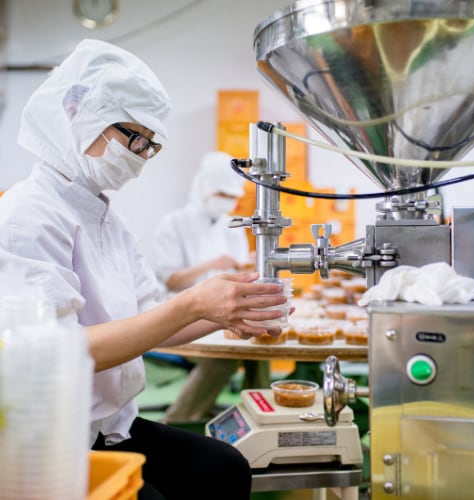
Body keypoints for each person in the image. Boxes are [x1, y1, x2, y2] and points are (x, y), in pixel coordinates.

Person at [0, 39, 287, 500]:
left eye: (149, 144)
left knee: (224, 468)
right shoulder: (27, 215)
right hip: (54, 438)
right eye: (133, 136)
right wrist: (196, 302)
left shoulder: (108, 220)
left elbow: (152, 315)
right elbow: (62, 351)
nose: (139, 154)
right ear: (79, 115)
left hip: (111, 425)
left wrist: (223, 314)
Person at [152, 151, 269, 423]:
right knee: (225, 356)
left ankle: (259, 418)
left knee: (260, 346)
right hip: (185, 317)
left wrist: (249, 267)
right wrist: (211, 264)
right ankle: (180, 421)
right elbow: (171, 280)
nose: (227, 201)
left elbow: (240, 271)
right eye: (221, 194)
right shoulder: (175, 223)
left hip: (226, 313)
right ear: (204, 187)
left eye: (232, 196)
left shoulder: (233, 226)